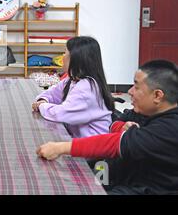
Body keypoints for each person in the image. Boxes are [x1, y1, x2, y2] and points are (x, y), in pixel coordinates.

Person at [36, 60, 178, 195]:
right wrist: (121, 127)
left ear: (158, 95)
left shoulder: (169, 128)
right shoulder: (144, 110)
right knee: (67, 174)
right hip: (119, 172)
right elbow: (113, 124)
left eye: (136, 86)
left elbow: (114, 144)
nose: (130, 91)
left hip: (143, 187)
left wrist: (60, 148)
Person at [32, 36, 113, 138]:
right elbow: (52, 93)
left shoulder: (87, 87)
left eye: (65, 53)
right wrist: (43, 99)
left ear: (76, 58)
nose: (62, 56)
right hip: (80, 141)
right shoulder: (73, 80)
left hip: (93, 149)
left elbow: (61, 114)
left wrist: (41, 106)